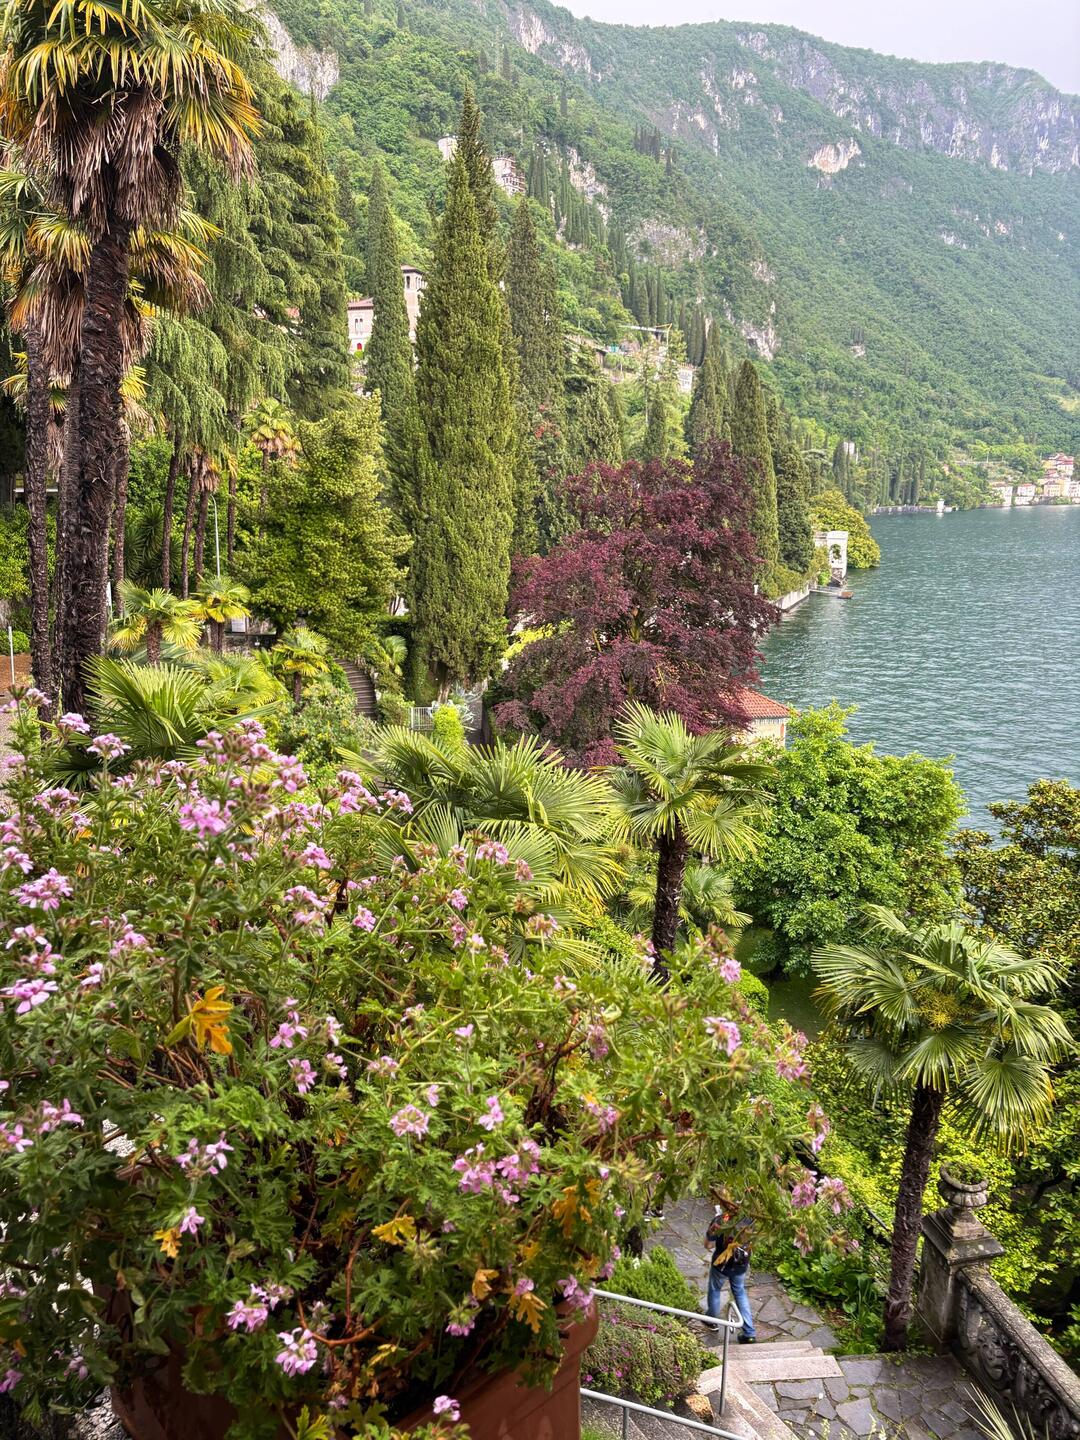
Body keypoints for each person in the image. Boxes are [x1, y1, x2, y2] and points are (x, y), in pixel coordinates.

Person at [705, 1197, 756, 1343]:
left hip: (721, 1265)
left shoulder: (721, 1220)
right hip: (740, 1264)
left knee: (715, 1290)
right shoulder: (751, 1220)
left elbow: (708, 1246)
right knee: (739, 1293)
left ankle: (711, 1320)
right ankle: (749, 1332)